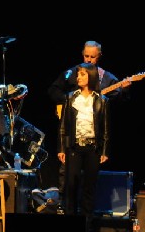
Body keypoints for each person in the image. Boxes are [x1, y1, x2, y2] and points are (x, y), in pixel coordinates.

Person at [48, 40, 130, 195]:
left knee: (89, 180)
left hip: (93, 135)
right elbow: (53, 89)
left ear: (99, 57)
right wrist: (67, 101)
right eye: (86, 56)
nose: (89, 60)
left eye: (93, 57)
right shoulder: (73, 73)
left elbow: (119, 100)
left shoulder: (106, 78)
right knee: (67, 172)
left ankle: (87, 213)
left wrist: (124, 90)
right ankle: (64, 203)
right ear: (82, 54)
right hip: (73, 131)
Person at [57, 62, 110, 232]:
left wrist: (104, 151)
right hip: (74, 147)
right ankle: (70, 224)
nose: (78, 77)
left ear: (91, 77)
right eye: (78, 74)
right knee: (71, 186)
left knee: (89, 189)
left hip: (92, 148)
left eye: (82, 74)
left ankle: (87, 225)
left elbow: (106, 128)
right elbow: (63, 126)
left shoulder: (102, 100)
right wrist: (62, 149)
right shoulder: (71, 97)